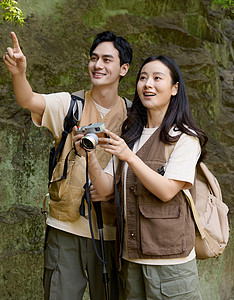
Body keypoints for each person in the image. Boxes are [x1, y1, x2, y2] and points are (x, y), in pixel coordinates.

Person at [3, 31, 133, 300]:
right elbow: (28, 100)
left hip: (111, 232)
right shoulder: (70, 104)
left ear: (124, 68)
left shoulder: (135, 117)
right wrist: (19, 74)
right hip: (65, 227)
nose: (98, 65)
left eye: (107, 60)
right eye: (94, 58)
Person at [76, 55, 207, 299]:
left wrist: (130, 157)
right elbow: (104, 189)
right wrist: (89, 155)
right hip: (131, 258)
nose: (148, 84)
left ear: (174, 88)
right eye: (143, 78)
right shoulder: (131, 135)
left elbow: (167, 190)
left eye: (158, 78)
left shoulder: (184, 138)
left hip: (170, 264)